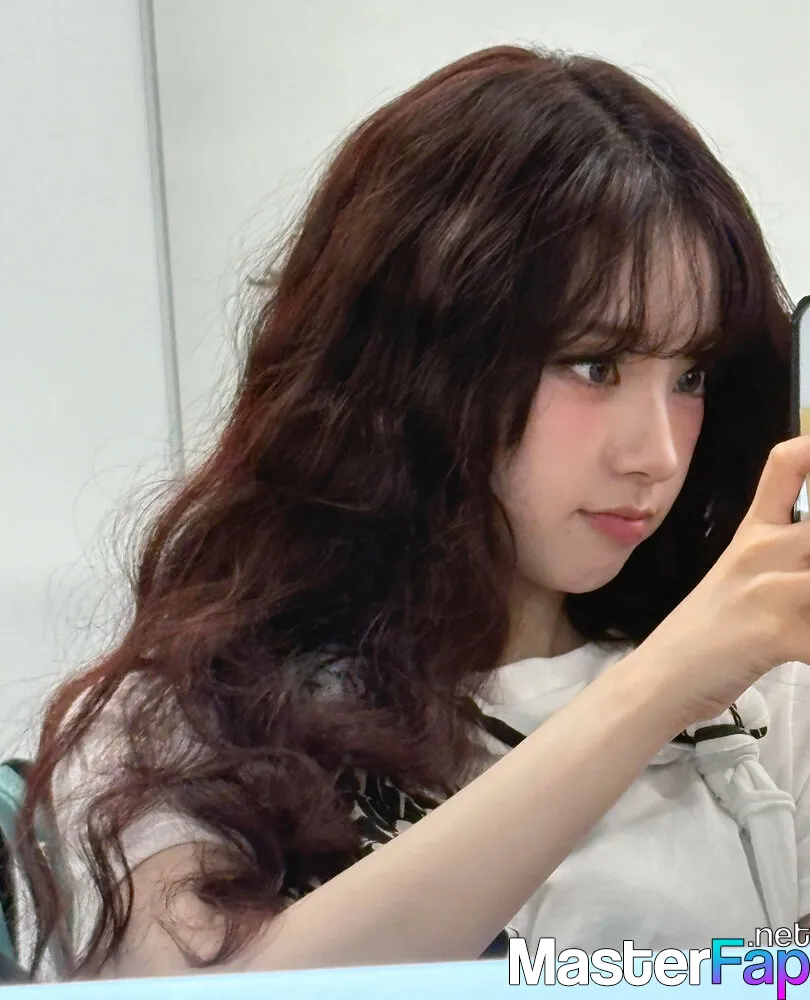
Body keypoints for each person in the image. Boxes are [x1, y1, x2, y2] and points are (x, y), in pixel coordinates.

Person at [14, 42, 810, 981]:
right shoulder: (188, 723)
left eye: (691, 376)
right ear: (418, 362)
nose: (658, 452)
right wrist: (663, 685)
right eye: (595, 365)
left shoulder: (768, 709)